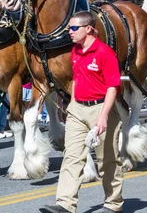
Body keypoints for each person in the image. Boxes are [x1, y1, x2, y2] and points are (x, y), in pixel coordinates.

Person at [41, 11, 123, 213]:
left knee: (108, 160)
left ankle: (113, 204)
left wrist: (103, 116)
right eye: (69, 28)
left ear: (88, 29)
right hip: (78, 109)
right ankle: (65, 205)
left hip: (101, 107)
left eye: (74, 28)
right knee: (72, 156)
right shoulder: (76, 51)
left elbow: (113, 86)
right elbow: (77, 80)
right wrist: (73, 105)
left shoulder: (105, 53)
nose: (69, 31)